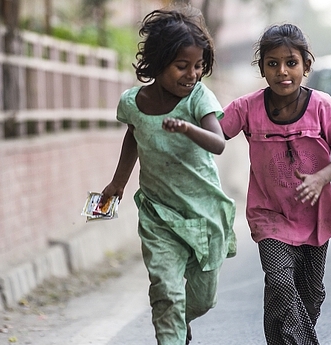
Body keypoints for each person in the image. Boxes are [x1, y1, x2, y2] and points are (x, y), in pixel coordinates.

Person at [98, 5, 236, 345]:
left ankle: (179, 320)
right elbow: (134, 135)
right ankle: (171, 329)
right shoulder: (133, 103)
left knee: (201, 299)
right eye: (182, 66)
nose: (192, 74)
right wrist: (117, 183)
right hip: (159, 214)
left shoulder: (199, 98)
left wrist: (189, 128)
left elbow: (218, 143)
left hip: (202, 212)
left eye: (198, 66)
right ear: (159, 62)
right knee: (166, 291)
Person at [220, 23, 331, 345]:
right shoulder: (246, 108)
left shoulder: (322, 106)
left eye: (291, 63)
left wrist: (321, 177)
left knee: (310, 294)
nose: (282, 71)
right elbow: (216, 132)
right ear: (263, 68)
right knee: (280, 282)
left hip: (314, 215)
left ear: (305, 66)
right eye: (273, 63)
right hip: (269, 213)